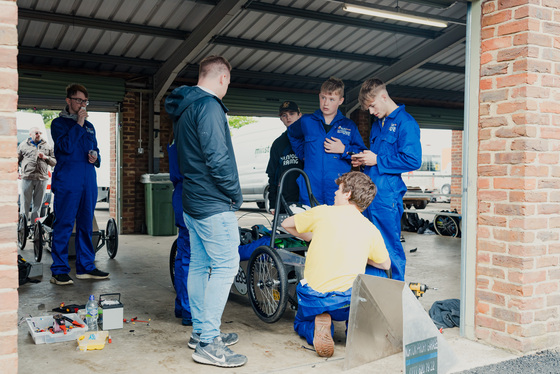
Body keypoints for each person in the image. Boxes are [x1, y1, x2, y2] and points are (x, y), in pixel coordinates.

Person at [165, 55, 247, 368]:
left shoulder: (184, 107)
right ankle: (210, 341)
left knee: (199, 265)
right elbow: (218, 158)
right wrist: (235, 195)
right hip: (213, 202)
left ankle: (200, 332)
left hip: (192, 201)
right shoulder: (209, 106)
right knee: (226, 266)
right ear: (223, 78)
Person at [281, 171, 390, 358]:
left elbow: (286, 224)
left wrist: (311, 236)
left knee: (300, 322)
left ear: (347, 194)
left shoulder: (322, 212)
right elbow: (385, 264)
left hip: (315, 298)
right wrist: (362, 253)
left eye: (338, 190)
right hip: (347, 301)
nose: (335, 193)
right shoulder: (370, 229)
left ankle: (317, 327)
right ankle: (355, 329)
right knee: (375, 273)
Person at [351, 78, 422, 282]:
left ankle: (394, 295)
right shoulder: (377, 124)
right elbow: (377, 160)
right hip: (370, 197)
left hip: (387, 197)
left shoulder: (405, 123)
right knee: (371, 248)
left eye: (372, 106)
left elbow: (413, 160)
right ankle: (374, 292)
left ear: (384, 96)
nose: (371, 112)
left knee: (389, 246)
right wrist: (364, 161)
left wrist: (377, 159)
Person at [49, 83, 109, 286]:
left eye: (85, 101)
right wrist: (79, 123)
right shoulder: (59, 124)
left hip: (88, 180)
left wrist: (96, 157)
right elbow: (64, 148)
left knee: (85, 225)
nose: (82, 104)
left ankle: (86, 267)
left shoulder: (90, 127)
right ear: (68, 101)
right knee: (64, 224)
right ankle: (59, 270)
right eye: (78, 100)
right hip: (68, 180)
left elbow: (96, 150)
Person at [288, 77, 366, 205]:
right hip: (310, 187)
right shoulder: (306, 121)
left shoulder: (349, 125)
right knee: (311, 223)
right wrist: (302, 154)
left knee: (335, 223)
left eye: (331, 99)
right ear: (319, 96)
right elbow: (292, 134)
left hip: (337, 188)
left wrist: (344, 150)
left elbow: (362, 154)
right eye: (323, 98)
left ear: (340, 101)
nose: (326, 103)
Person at [167, 140, 192, 327]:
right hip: (191, 197)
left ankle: (181, 305)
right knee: (189, 258)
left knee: (183, 255)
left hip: (181, 195)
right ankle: (189, 310)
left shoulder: (174, 141)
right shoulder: (188, 141)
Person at [266, 101, 303, 215]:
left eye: (292, 113)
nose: (288, 118)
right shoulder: (278, 143)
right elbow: (272, 175)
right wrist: (273, 203)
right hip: (285, 201)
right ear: (280, 118)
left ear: (299, 115)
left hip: (306, 199)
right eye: (284, 115)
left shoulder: (309, 138)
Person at [17, 126, 56, 223]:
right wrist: (17, 172)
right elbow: (16, 160)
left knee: (38, 205)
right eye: (36, 133)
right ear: (30, 134)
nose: (38, 135)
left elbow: (54, 162)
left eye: (39, 133)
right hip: (27, 178)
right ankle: (23, 228)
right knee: (25, 203)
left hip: (42, 179)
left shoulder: (47, 146)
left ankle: (35, 229)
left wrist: (46, 157)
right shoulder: (23, 145)